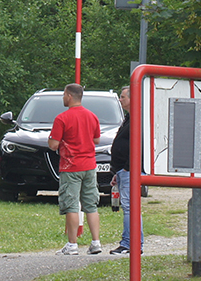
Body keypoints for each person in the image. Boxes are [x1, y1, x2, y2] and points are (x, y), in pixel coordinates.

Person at [49, 83, 102, 255]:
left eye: (64, 94)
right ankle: (96, 242)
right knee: (91, 204)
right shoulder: (92, 116)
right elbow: (97, 140)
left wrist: (53, 141)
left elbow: (54, 144)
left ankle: (72, 245)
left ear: (70, 96)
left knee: (71, 204)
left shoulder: (61, 118)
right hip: (90, 166)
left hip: (70, 167)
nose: (63, 98)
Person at [108, 85, 140, 255]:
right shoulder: (129, 118)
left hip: (129, 170)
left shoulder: (138, 118)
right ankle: (133, 243)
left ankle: (129, 244)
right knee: (129, 207)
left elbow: (138, 145)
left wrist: (128, 167)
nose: (120, 100)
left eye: (123, 97)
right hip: (122, 170)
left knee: (130, 207)